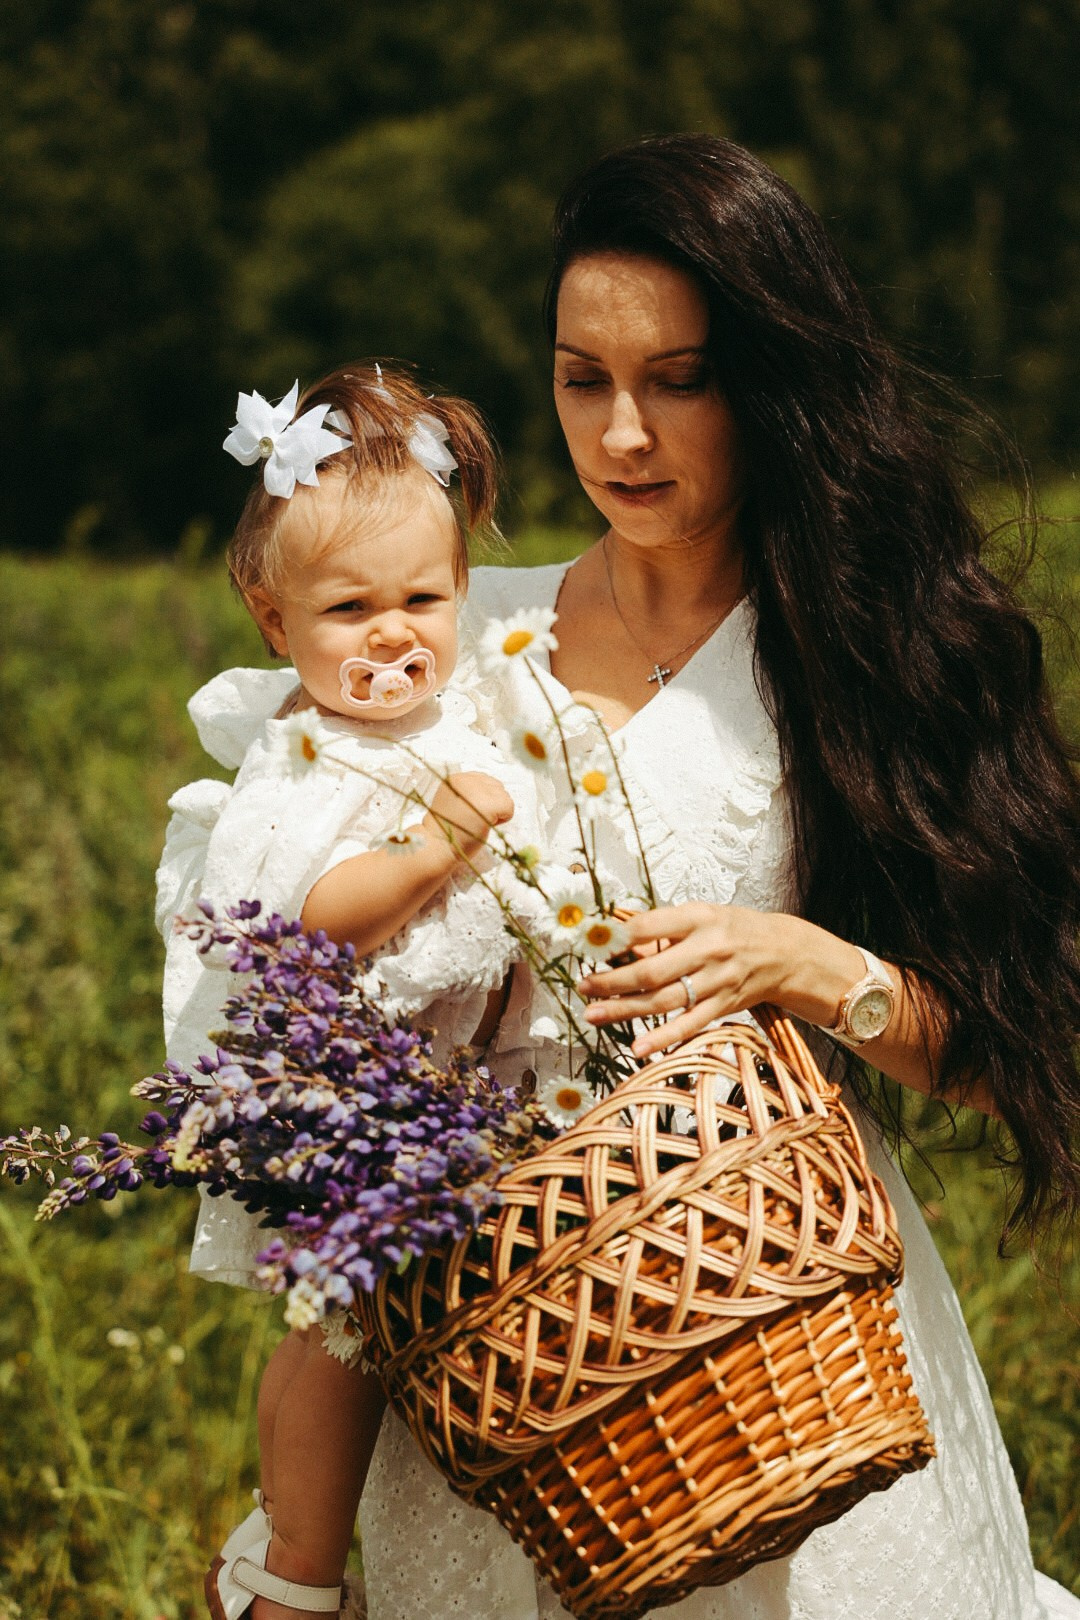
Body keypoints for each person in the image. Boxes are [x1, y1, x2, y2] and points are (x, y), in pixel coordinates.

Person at [356, 136, 1080, 1618]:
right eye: (582, 378)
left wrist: (814, 969)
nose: (622, 436)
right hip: (502, 1367)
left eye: (680, 379)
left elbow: (1029, 1052)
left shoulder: (871, 659)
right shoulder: (451, 643)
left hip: (777, 1349)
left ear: (774, 380)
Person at [155, 363, 555, 1620]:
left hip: (438, 1088)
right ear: (277, 624)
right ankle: (298, 1574)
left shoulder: (442, 721)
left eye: (424, 598)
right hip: (356, 1101)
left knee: (334, 1325)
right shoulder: (309, 756)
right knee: (346, 1342)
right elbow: (306, 918)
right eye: (349, 609)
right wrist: (436, 843)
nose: (394, 634)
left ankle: (273, 1543)